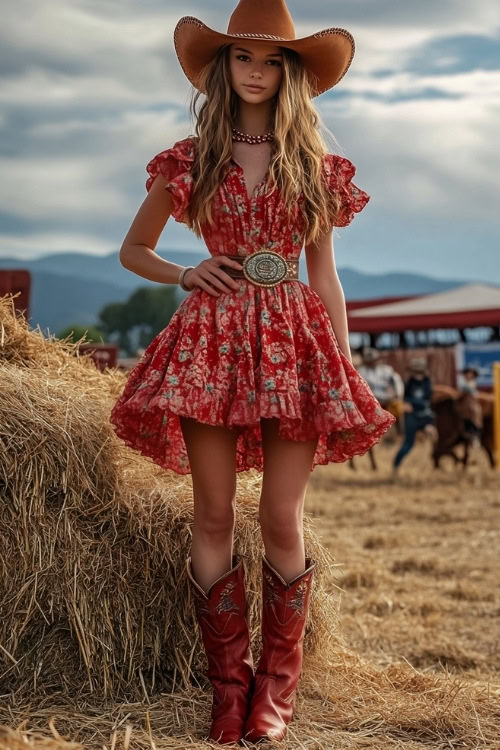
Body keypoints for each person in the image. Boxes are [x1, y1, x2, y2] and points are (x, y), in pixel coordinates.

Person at [109, 1, 396, 743]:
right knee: (212, 515)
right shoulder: (190, 159)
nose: (258, 72)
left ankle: (277, 688)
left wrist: (341, 365)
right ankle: (228, 689)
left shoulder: (319, 167)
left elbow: (326, 276)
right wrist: (186, 272)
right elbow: (132, 251)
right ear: (222, 67)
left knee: (278, 516)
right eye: (244, 58)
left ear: (291, 73)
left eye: (272, 61)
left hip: (297, 346)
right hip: (212, 340)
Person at [392, 356, 438, 476]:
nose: (417, 374)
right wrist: (406, 404)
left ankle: (435, 464)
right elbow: (403, 398)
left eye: (419, 371)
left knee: (434, 434)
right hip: (411, 417)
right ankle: (395, 466)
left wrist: (413, 404)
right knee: (408, 444)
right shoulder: (408, 383)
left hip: (425, 416)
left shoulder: (427, 383)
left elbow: (426, 400)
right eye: (415, 371)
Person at [357, 348, 405, 437]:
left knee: (398, 407)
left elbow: (397, 381)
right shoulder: (362, 371)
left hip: (388, 400)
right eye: (370, 360)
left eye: (374, 359)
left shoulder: (386, 369)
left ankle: (400, 432)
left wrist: (397, 394)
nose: (373, 362)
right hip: (373, 402)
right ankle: (371, 435)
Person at [456, 366, 483, 448]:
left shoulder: (472, 383)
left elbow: (474, 393)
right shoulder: (463, 383)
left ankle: (474, 436)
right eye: (468, 374)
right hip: (464, 405)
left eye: (471, 374)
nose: (469, 375)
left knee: (474, 417)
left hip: (471, 406)